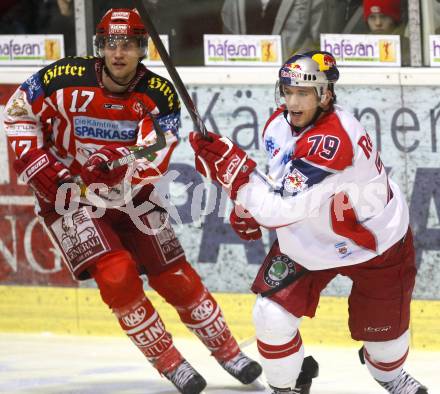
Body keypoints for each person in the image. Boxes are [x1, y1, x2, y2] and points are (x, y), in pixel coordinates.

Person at [3, 8, 262, 394]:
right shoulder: (61, 78)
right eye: (111, 43)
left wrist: (119, 168)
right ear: (100, 47)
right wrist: (41, 166)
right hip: (68, 197)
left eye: (127, 44)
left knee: (175, 277)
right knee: (117, 274)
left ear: (143, 49)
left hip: (132, 196)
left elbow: (157, 149)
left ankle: (227, 351)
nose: (118, 52)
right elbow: (17, 111)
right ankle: (170, 362)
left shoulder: (157, 93)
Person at [189, 50, 429, 394]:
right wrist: (242, 200)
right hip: (308, 240)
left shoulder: (333, 142)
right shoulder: (279, 124)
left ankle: (391, 376)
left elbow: (278, 210)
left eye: (303, 93)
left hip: (373, 244)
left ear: (325, 95)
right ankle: (288, 383)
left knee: (386, 352)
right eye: (288, 91)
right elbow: (282, 187)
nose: (292, 101)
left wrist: (236, 176)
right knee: (271, 317)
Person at [221, 0, 326, 58]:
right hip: (242, 76)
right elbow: (227, 39)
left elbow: (318, 41)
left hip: (293, 78)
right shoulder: (234, 3)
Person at [363, 0, 410, 65]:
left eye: (383, 17)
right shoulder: (362, 45)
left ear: (394, 19)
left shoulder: (408, 46)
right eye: (372, 17)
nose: (378, 23)